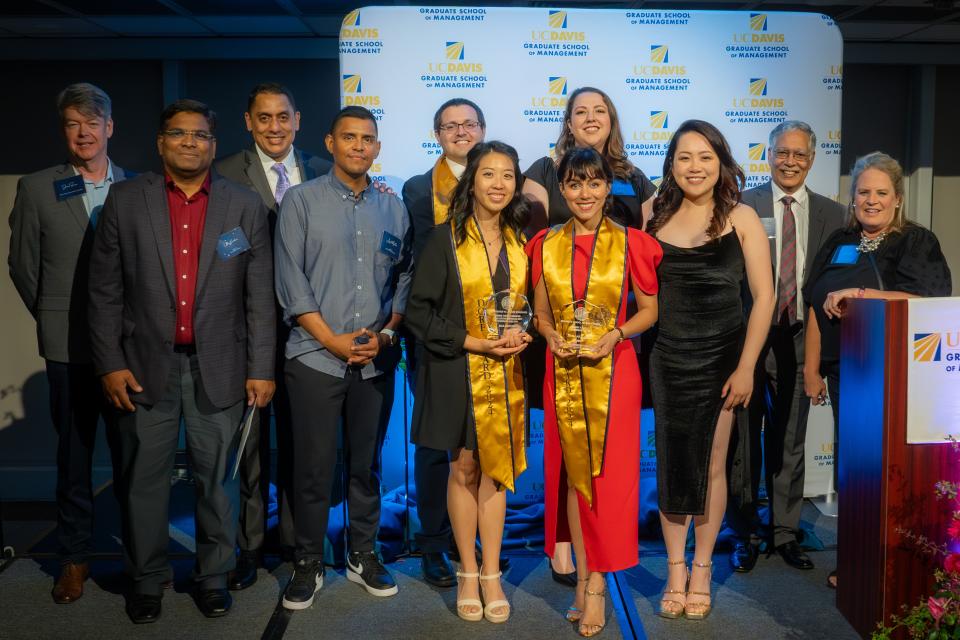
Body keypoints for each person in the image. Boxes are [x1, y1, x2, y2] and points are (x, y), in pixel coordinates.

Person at [88, 99, 276, 623]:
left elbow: (259, 297)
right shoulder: (125, 202)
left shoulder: (243, 205)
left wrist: (262, 368)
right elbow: (103, 294)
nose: (190, 143)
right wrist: (108, 363)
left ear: (214, 145)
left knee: (218, 479)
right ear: (160, 142)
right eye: (179, 134)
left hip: (221, 366)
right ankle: (146, 579)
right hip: (143, 367)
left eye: (200, 135)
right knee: (143, 481)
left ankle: (212, 576)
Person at [275, 106, 411, 609]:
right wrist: (331, 339)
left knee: (366, 465)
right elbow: (290, 280)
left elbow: (403, 282)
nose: (359, 146)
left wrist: (389, 332)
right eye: (349, 137)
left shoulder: (393, 209)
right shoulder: (301, 201)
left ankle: (362, 553)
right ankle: (307, 562)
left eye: (368, 139)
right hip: (314, 357)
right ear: (330, 143)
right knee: (312, 469)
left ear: (377, 147)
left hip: (374, 361)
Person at [523, 85, 658, 585]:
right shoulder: (544, 230)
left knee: (612, 468)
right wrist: (548, 332)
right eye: (575, 185)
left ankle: (602, 565)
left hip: (614, 355)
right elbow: (537, 310)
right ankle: (572, 555)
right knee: (565, 461)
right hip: (561, 355)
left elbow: (650, 305)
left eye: (593, 184)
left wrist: (616, 334)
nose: (585, 192)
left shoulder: (633, 209)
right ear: (563, 188)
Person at [801, 151, 952, 589]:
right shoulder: (839, 240)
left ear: (897, 198)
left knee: (892, 472)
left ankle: (895, 562)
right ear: (852, 197)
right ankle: (857, 559)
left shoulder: (916, 242)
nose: (871, 200)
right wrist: (812, 369)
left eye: (881, 193)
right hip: (845, 373)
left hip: (896, 376)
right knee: (856, 470)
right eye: (863, 192)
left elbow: (930, 299)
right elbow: (815, 303)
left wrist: (860, 292)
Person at [647, 120, 774, 620]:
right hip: (668, 357)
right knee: (674, 464)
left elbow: (763, 298)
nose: (694, 167)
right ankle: (674, 570)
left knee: (713, 462)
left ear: (720, 162)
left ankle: (702, 569)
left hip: (724, 357)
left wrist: (747, 367)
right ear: (671, 165)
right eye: (684, 157)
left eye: (704, 157)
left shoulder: (741, 217)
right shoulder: (649, 217)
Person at [8, 82, 129, 605]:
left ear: (109, 128)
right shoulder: (38, 188)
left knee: (134, 459)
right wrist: (54, 315)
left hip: (126, 347)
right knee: (74, 460)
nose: (83, 133)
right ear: (65, 131)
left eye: (92, 123)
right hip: (66, 346)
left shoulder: (136, 186)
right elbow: (23, 267)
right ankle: (74, 559)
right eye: (72, 124)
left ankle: (140, 558)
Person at [405, 141, 531, 624]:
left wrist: (525, 334)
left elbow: (532, 309)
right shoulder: (444, 239)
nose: (498, 184)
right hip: (456, 369)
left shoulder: (523, 241)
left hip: (505, 373)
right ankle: (467, 569)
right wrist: (475, 343)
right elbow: (418, 312)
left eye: (507, 175)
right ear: (471, 182)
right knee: (463, 468)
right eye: (488, 175)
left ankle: (493, 572)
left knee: (496, 470)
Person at [214, 82, 332, 588]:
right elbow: (218, 257)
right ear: (248, 122)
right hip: (250, 331)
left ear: (298, 120)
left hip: (312, 332)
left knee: (305, 445)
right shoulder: (223, 176)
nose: (275, 127)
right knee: (253, 447)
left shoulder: (324, 171)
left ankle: (297, 539)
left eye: (283, 117)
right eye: (264, 118)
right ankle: (250, 546)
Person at [726, 121, 846, 574]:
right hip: (749, 340)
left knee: (790, 441)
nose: (790, 161)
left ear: (812, 159)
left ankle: (784, 532)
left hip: (801, 338)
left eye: (799, 154)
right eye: (782, 153)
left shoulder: (834, 214)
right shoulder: (743, 207)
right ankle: (745, 534)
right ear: (768, 155)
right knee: (743, 442)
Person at [401, 98, 486, 587]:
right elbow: (412, 264)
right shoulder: (417, 189)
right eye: (450, 126)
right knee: (438, 446)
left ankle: (469, 537)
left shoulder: (502, 177)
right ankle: (434, 543)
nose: (461, 132)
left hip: (491, 340)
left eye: (468, 124)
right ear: (437, 135)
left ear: (482, 129)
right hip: (437, 340)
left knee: (479, 446)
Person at [523, 86, 657, 233]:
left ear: (611, 122)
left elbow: (646, 243)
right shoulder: (544, 172)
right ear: (569, 125)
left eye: (599, 111)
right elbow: (535, 243)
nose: (591, 118)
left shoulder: (635, 177)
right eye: (581, 112)